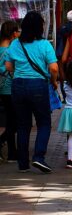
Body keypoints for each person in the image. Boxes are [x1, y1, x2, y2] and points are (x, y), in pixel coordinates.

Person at [4, 11, 59, 173]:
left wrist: (17, 75)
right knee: (44, 122)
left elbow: (8, 66)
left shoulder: (15, 44)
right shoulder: (44, 45)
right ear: (39, 27)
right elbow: (54, 67)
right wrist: (53, 81)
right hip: (38, 86)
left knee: (23, 125)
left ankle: (23, 164)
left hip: (18, 86)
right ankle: (38, 157)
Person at [0, 21, 20, 161]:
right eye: (17, 31)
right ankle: (3, 142)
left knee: (10, 120)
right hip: (9, 88)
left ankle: (13, 153)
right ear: (13, 33)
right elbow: (8, 68)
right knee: (15, 122)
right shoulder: (11, 50)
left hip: (2, 88)